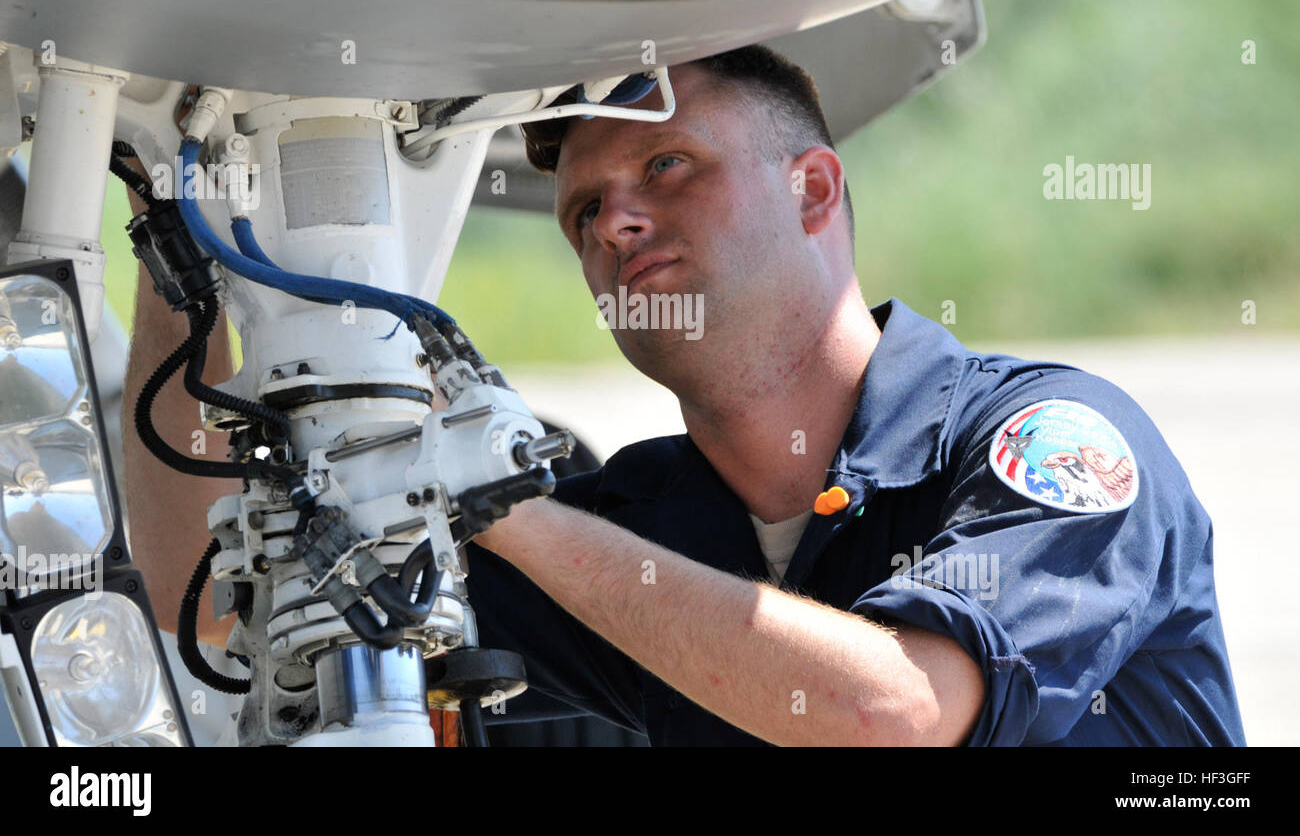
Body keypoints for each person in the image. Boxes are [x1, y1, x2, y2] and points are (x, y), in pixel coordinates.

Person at [124, 45, 1246, 747]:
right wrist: (176, 252)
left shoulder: (1038, 439)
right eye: (583, 211)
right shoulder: (647, 523)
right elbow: (219, 600)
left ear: (813, 189)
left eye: (667, 168)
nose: (613, 221)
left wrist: (501, 510)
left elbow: (893, 714)